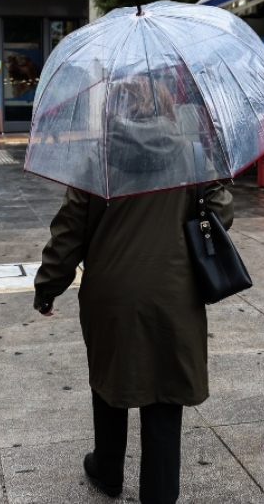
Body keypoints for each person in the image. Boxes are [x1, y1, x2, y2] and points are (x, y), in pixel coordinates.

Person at [33, 80, 232, 504]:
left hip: (111, 294)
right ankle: (158, 494)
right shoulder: (195, 156)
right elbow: (221, 215)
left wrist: (48, 287)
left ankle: (107, 471)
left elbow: (69, 233)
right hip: (174, 291)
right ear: (166, 106)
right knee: (164, 391)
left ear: (116, 108)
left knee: (110, 381)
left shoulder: (98, 159)